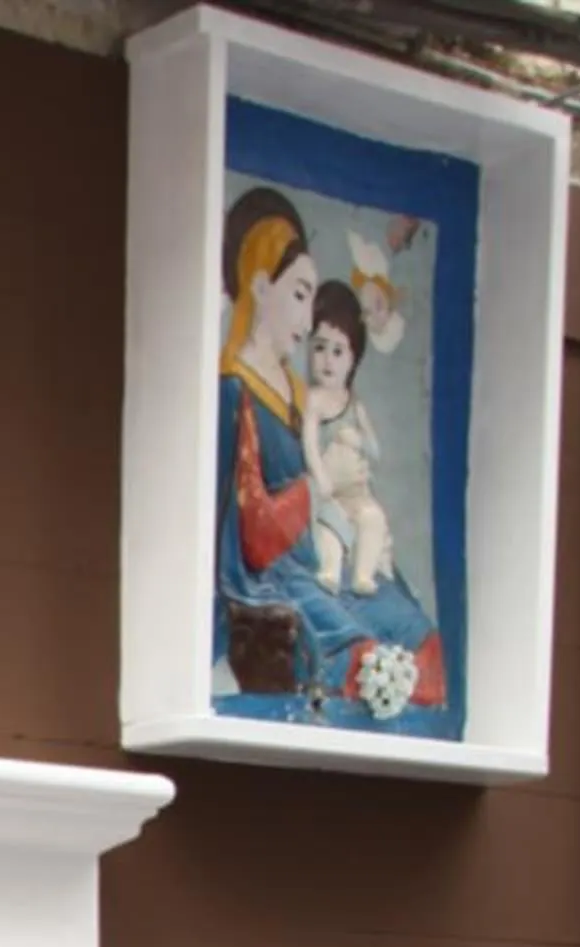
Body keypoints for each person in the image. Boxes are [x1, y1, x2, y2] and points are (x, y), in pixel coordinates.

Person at [214, 185, 445, 725]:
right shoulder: (235, 392)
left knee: (418, 637)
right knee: (360, 653)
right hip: (272, 579)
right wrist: (318, 488)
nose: (306, 319)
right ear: (258, 285)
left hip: (323, 555)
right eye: (298, 294)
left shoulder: (296, 393)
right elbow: (252, 536)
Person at [304, 280, 393, 597]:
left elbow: (375, 451)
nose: (328, 360)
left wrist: (360, 443)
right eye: (320, 347)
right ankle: (330, 570)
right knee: (330, 528)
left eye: (338, 351)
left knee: (373, 519)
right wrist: (320, 474)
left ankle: (363, 575)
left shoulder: (354, 404)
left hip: (357, 493)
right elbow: (309, 441)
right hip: (328, 493)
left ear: (353, 358)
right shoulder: (313, 400)